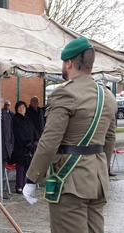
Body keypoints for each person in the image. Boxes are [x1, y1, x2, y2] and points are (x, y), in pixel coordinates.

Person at [23, 37, 117, 233]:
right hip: (97, 180)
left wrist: (32, 178)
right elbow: (109, 140)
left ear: (69, 63)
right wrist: (98, 168)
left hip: (71, 182)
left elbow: (49, 142)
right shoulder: (107, 96)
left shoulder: (64, 94)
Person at [11, 100, 37, 194]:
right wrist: (26, 143)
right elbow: (18, 133)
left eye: (23, 107)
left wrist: (34, 142)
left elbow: (33, 132)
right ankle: (19, 186)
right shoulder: (15, 119)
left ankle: (24, 185)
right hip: (20, 147)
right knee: (20, 167)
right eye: (19, 108)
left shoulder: (28, 119)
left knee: (27, 166)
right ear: (16, 109)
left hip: (29, 148)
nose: (21, 109)